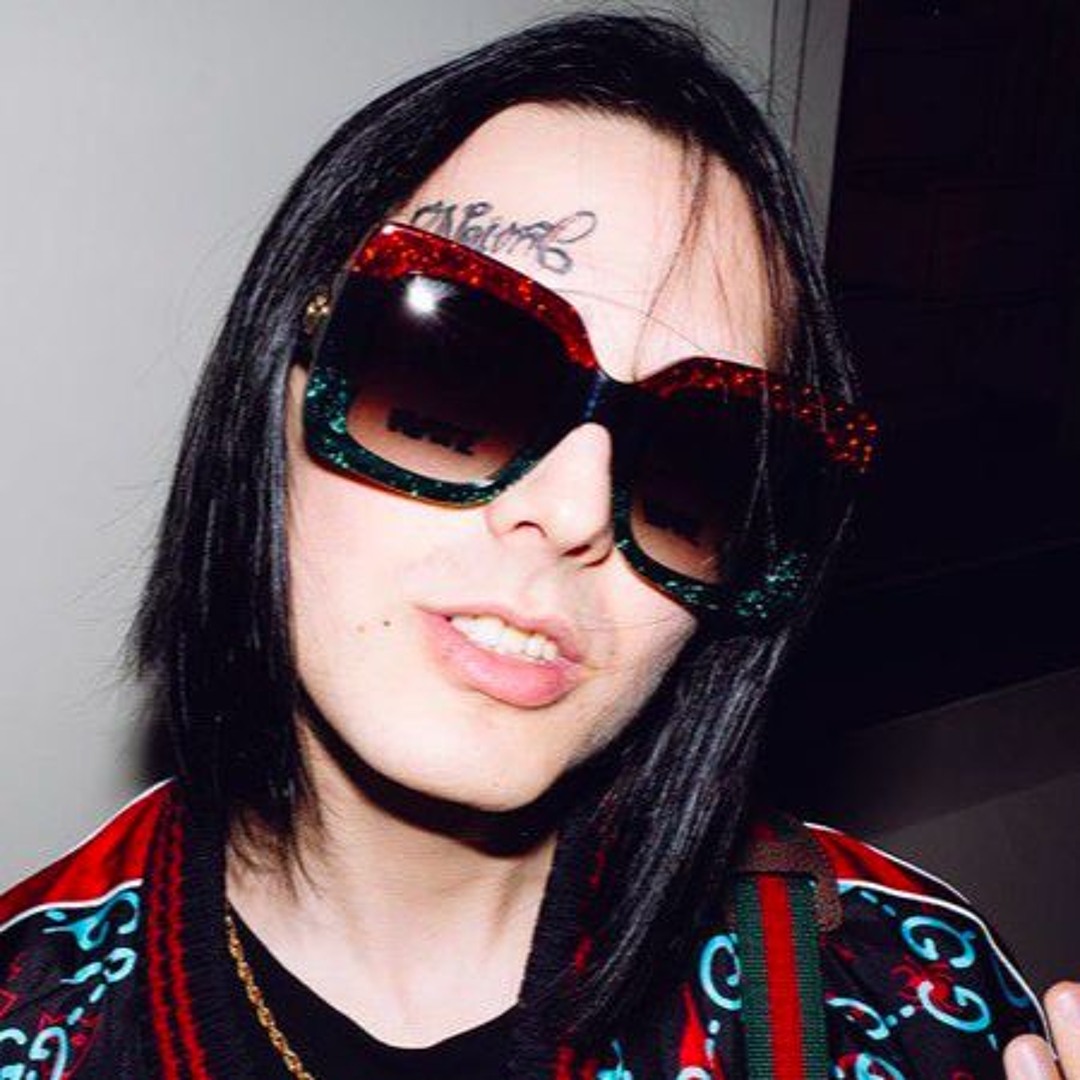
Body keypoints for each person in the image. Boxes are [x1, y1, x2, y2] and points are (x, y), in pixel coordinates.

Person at [0, 13, 1072, 1080]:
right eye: (457, 372)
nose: (573, 511)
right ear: (268, 395)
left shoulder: (908, 1002)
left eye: (698, 458)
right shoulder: (31, 1008)